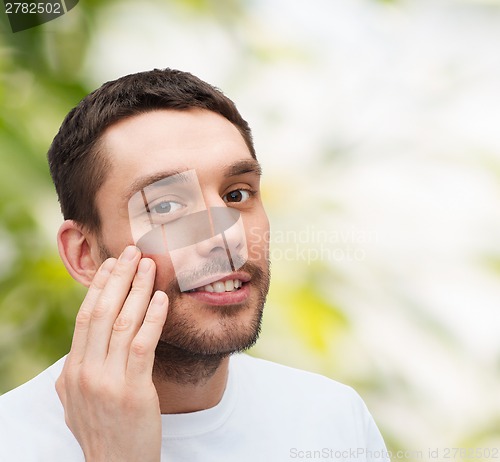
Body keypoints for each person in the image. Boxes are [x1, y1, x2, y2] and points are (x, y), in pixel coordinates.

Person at [0, 68, 389, 462]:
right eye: (166, 207)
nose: (227, 237)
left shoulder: (333, 420)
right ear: (84, 255)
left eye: (237, 194)